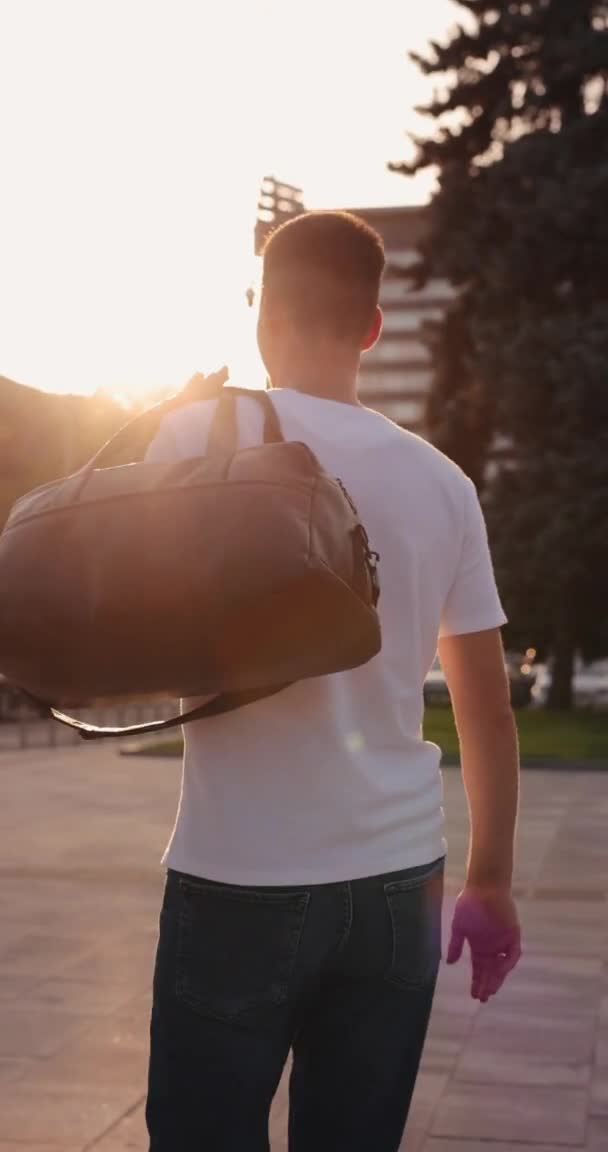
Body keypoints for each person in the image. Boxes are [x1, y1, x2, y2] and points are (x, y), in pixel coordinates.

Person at [144, 211, 522, 1151]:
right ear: (372, 328)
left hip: (239, 874)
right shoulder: (444, 484)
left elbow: (136, 630)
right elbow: (488, 710)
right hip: (399, 886)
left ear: (260, 315)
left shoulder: (194, 436)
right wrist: (492, 882)